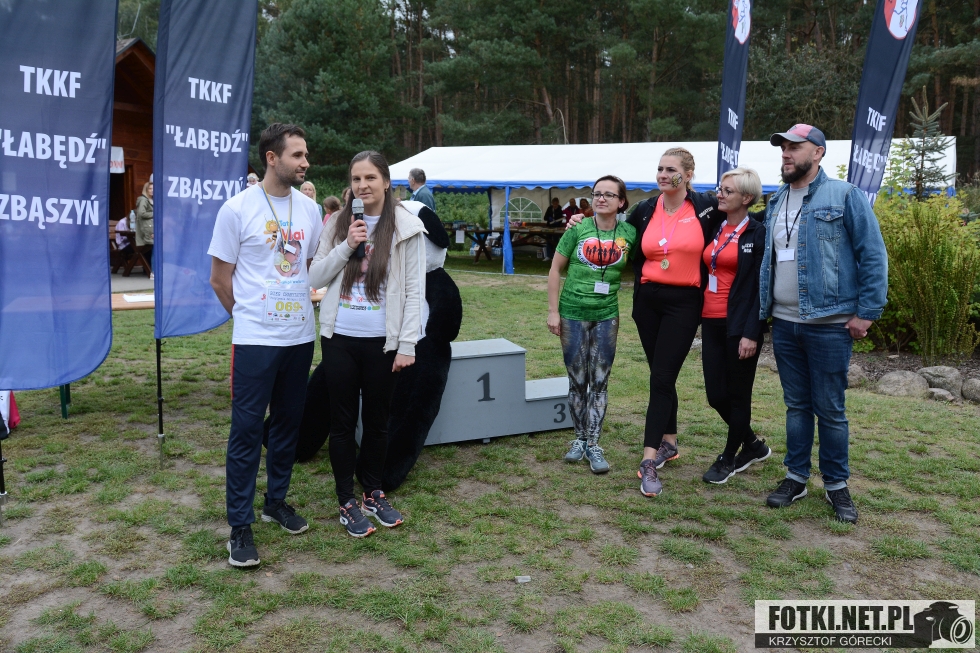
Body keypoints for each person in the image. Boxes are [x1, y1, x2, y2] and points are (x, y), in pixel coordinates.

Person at [207, 123, 324, 567]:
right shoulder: (236, 209)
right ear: (272, 158)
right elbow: (220, 279)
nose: (305, 162)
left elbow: (307, 267)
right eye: (297, 155)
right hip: (256, 339)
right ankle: (240, 525)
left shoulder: (310, 210)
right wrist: (249, 317)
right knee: (247, 430)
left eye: (305, 154)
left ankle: (276, 502)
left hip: (299, 336)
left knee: (287, 425)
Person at [761, 124, 887, 524]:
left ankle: (836, 485)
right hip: (784, 323)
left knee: (830, 409)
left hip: (829, 324)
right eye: (783, 147)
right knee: (796, 406)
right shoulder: (777, 199)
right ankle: (796, 477)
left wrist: (867, 312)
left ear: (817, 153)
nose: (786, 153)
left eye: (795, 147)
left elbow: (872, 254)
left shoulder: (845, 195)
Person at [309, 151, 425, 538]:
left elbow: (414, 290)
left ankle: (373, 493)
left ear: (387, 182)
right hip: (340, 338)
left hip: (383, 342)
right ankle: (346, 501)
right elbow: (315, 276)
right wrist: (346, 244)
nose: (363, 185)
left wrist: (407, 343)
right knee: (342, 423)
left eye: (371, 178)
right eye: (356, 179)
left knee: (377, 422)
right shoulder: (339, 223)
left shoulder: (407, 227)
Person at [547, 176, 637, 474]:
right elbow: (555, 269)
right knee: (577, 380)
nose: (601, 198)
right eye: (597, 193)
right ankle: (579, 438)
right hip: (572, 313)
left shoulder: (630, 233)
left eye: (609, 194)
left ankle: (594, 444)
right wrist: (553, 312)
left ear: (621, 202)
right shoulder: (577, 228)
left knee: (599, 380)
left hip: (606, 315)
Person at [699, 167, 772, 484]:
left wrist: (752, 332)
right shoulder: (714, 225)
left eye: (728, 191)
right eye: (720, 188)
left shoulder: (757, 233)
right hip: (710, 320)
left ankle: (729, 457)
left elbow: (761, 287)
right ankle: (753, 444)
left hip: (739, 325)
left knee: (739, 395)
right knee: (716, 395)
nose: (720, 194)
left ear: (747, 198)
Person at [135, 177, 154, 274]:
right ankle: (148, 270)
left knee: (151, 248)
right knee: (149, 247)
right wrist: (155, 213)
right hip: (146, 228)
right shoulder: (144, 200)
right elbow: (141, 213)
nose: (152, 190)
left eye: (153, 189)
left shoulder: (152, 200)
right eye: (150, 189)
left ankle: (149, 269)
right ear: (146, 190)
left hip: (151, 227)